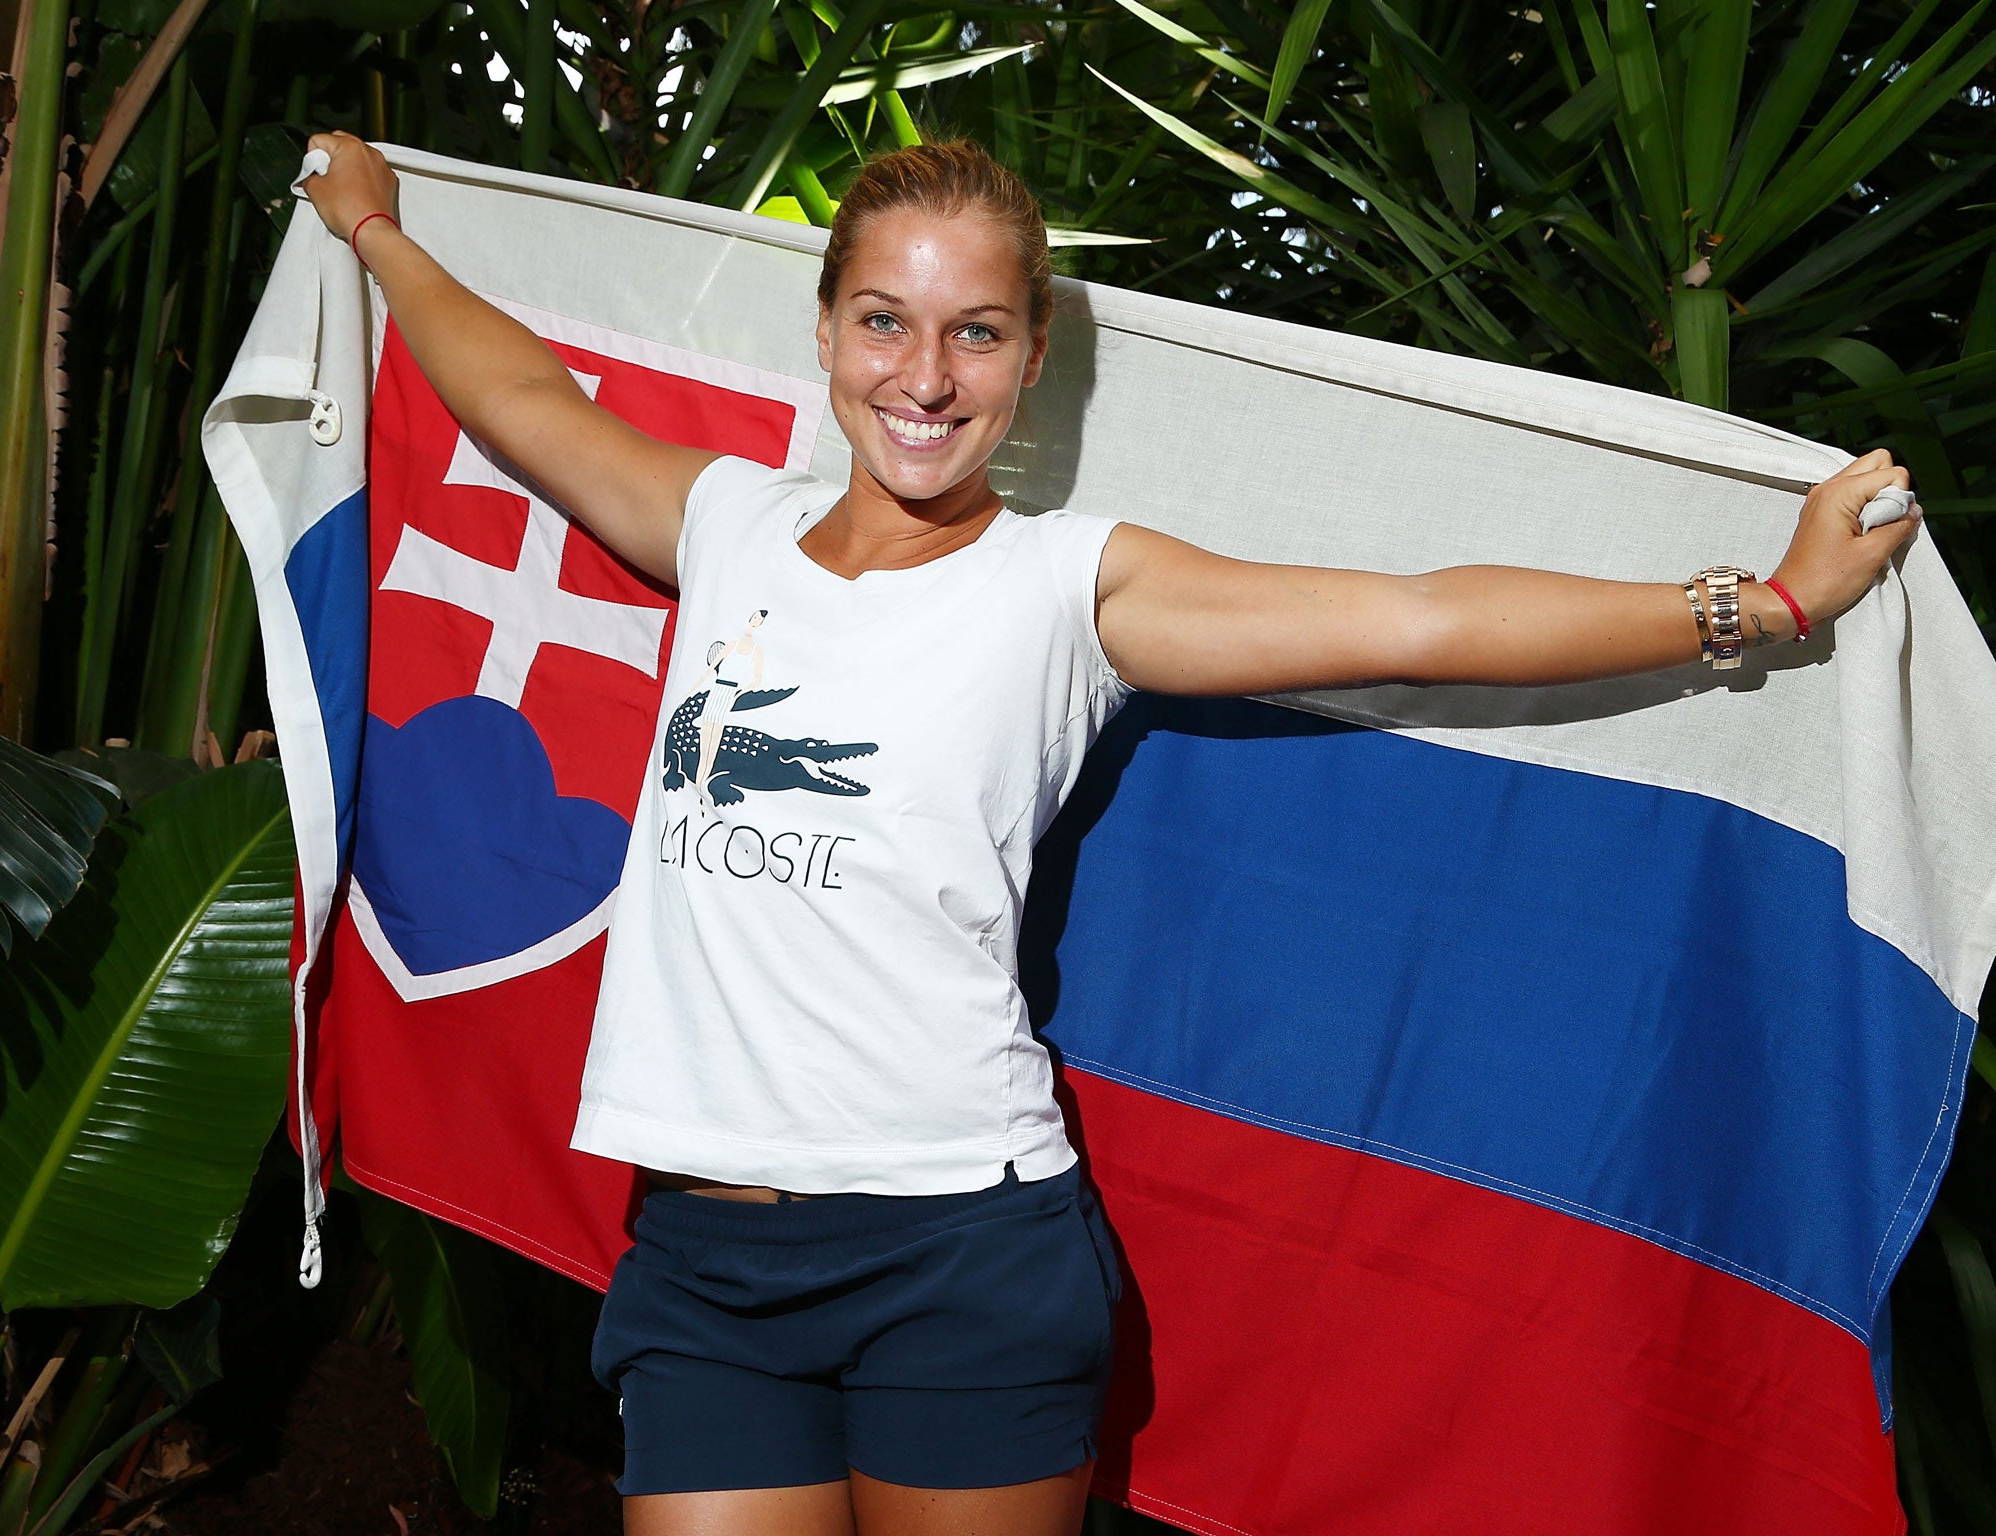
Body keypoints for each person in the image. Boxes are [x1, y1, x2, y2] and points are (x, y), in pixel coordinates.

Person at [299, 130, 1918, 1536]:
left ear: (1033, 346)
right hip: (702, 1263)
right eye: (884, 321)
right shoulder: (728, 525)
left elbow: (1417, 618)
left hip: (960, 1255)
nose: (923, 379)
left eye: (975, 333)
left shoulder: (1072, 586)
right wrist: (374, 229)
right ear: (827, 329)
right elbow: (516, 396)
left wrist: (1759, 602)